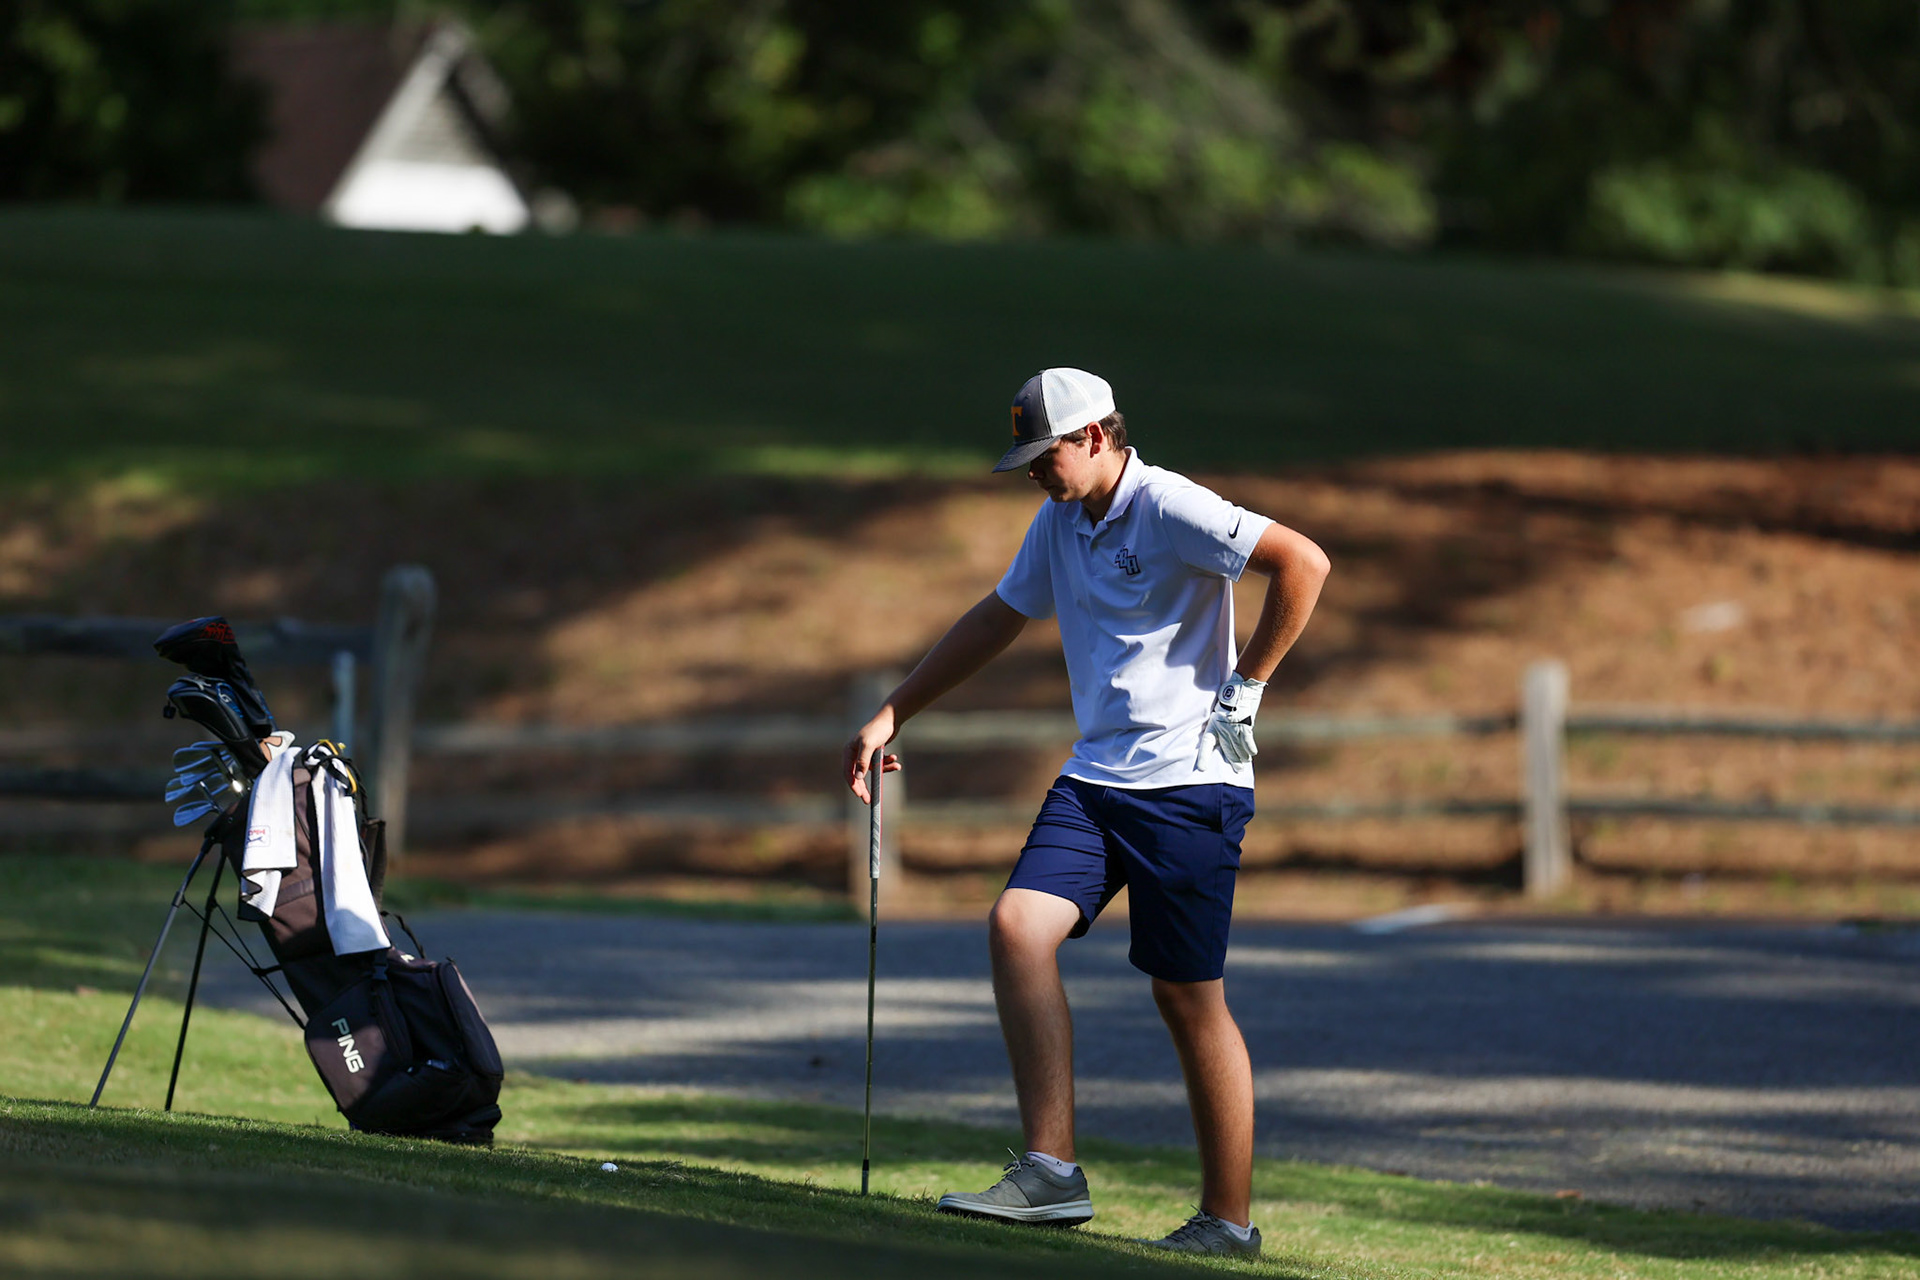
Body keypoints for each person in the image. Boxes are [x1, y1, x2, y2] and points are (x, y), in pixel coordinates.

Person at [843, 368, 1330, 1258]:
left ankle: (1228, 1223)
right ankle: (1052, 1174)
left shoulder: (1170, 504)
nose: (1035, 472)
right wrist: (894, 710)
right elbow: (997, 619)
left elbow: (1304, 563)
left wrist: (1247, 687)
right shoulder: (1057, 520)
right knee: (1016, 926)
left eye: (1046, 455)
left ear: (1098, 436)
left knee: (1186, 997)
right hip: (1097, 778)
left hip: (1190, 784)